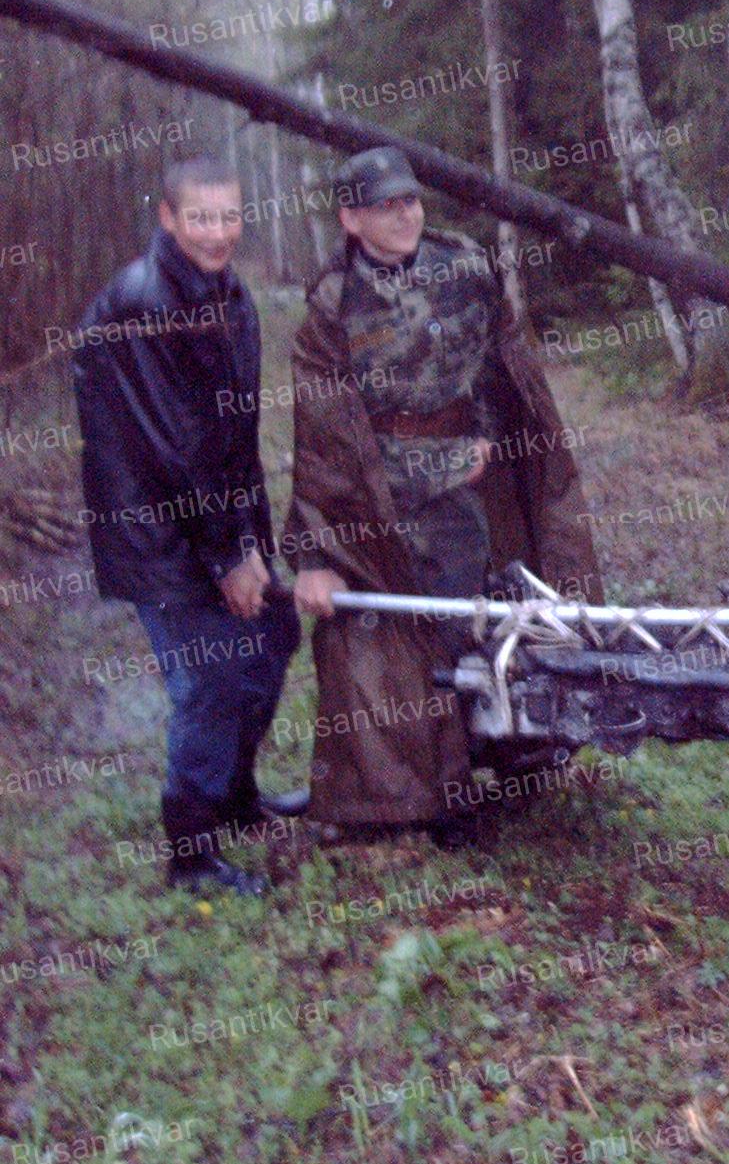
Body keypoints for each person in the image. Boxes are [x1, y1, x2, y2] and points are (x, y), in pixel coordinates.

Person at [286, 146, 601, 837]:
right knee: (393, 646)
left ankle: (506, 761)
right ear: (351, 219)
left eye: (411, 202)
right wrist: (316, 551)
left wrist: (484, 436)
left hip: (465, 488)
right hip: (379, 497)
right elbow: (320, 437)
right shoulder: (333, 305)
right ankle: (417, 796)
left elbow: (502, 363)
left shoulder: (464, 267)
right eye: (385, 207)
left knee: (476, 626)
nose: (405, 216)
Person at [73, 157, 304, 900]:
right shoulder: (143, 302)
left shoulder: (228, 292)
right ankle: (193, 855)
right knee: (209, 678)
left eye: (229, 215)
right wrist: (227, 556)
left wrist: (250, 543)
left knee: (271, 638)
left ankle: (235, 796)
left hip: (218, 521)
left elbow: (230, 434)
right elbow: (177, 447)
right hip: (158, 535)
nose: (217, 232)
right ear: (168, 218)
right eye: (200, 217)